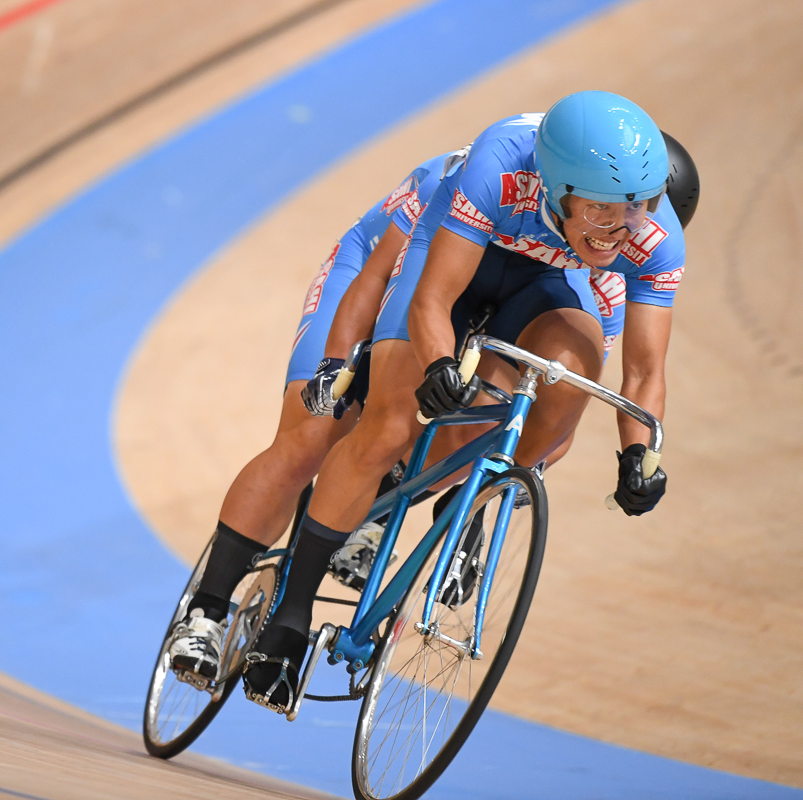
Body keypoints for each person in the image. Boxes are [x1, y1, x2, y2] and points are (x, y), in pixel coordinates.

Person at [233, 91, 687, 709]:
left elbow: (642, 373)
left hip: (534, 283)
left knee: (557, 376)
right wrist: (437, 364)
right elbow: (430, 300)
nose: (622, 230)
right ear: (558, 190)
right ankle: (289, 611)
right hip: (443, 258)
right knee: (377, 424)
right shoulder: (500, 164)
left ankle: (450, 504)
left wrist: (638, 454)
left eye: (637, 211)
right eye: (603, 213)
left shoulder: (650, 239)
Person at [167, 149, 466, 680]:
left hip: (452, 299)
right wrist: (338, 365)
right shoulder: (475, 182)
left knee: (461, 416)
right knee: (311, 436)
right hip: (372, 270)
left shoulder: (607, 258)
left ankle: (368, 505)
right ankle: (205, 612)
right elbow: (378, 278)